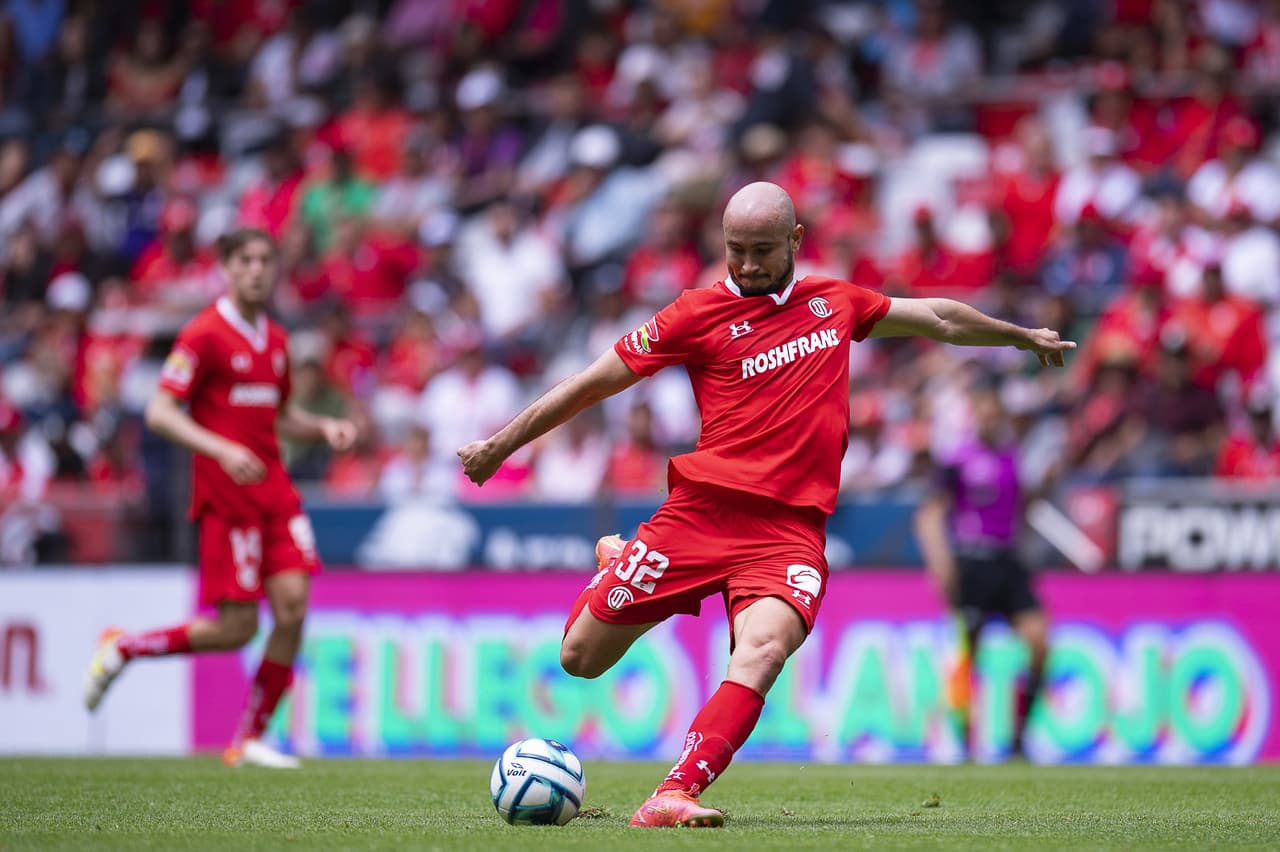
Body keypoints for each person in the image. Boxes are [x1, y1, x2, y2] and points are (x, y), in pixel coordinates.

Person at [459, 182, 1074, 828]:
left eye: (762, 250)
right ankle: (615, 561)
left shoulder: (834, 303)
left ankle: (674, 792)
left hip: (788, 532)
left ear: (796, 242)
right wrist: (502, 445)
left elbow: (939, 318)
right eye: (736, 251)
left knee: (765, 646)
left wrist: (1018, 336)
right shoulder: (694, 315)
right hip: (700, 513)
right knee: (580, 657)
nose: (748, 265)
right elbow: (592, 385)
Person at [82, 228, 358, 769]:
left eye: (265, 260)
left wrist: (323, 428)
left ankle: (250, 738)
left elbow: (278, 415)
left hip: (275, 493)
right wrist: (222, 449)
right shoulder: (203, 334)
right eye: (246, 260)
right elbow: (161, 412)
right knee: (238, 628)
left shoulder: (277, 340)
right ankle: (124, 646)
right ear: (227, 269)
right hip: (226, 499)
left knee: (294, 606)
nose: (257, 269)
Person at [913, 380, 1050, 758]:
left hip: (1008, 559)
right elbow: (930, 513)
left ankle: (1020, 738)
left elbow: (1020, 507)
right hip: (971, 562)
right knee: (967, 653)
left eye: (995, 412)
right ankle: (965, 742)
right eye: (984, 411)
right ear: (975, 415)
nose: (990, 419)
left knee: (1038, 641)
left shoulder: (1013, 458)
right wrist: (940, 563)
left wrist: (1047, 485)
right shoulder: (958, 459)